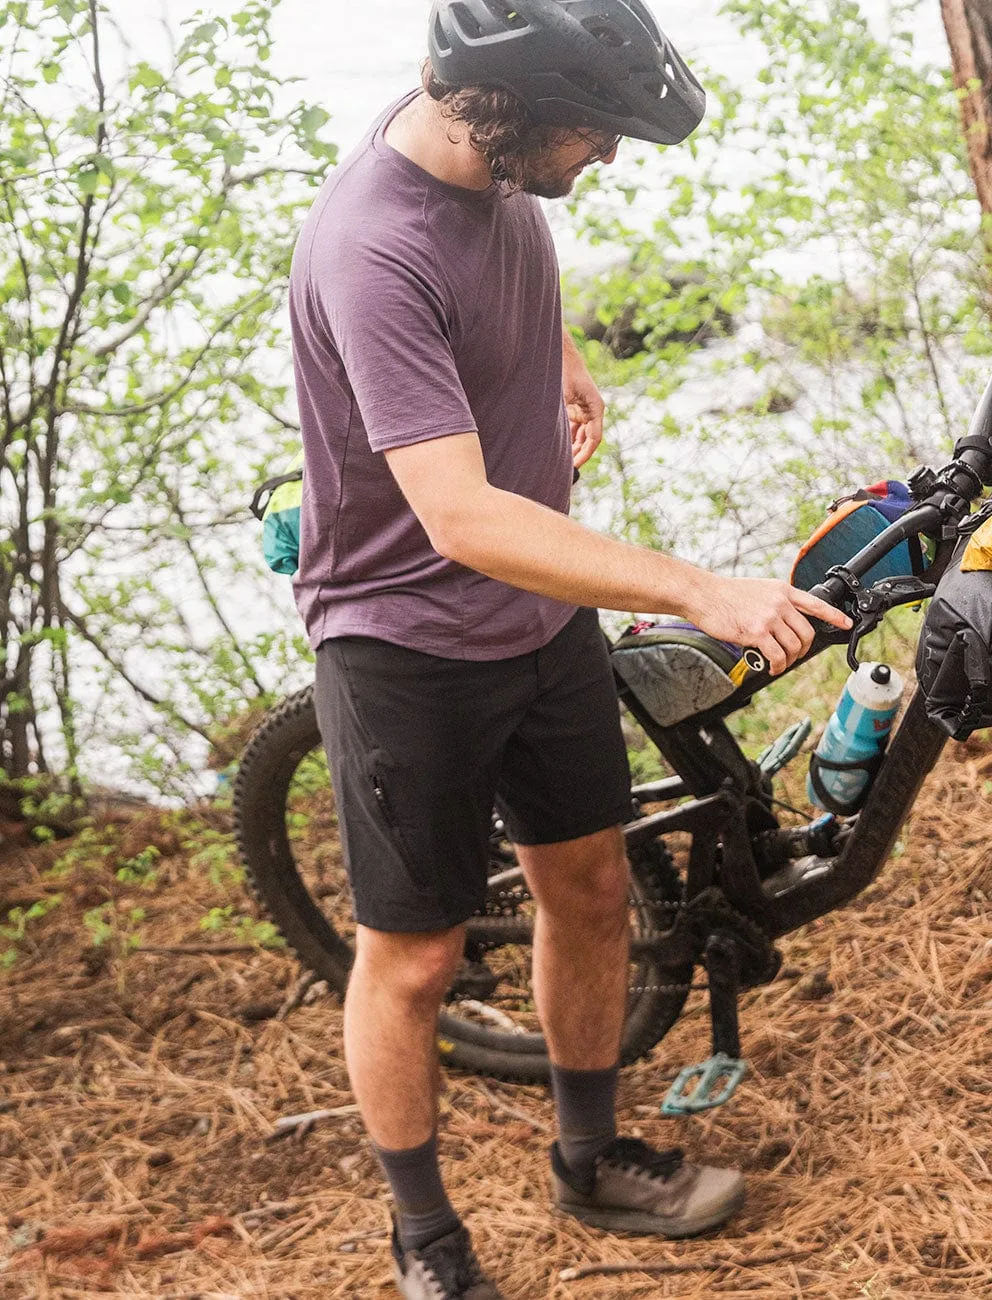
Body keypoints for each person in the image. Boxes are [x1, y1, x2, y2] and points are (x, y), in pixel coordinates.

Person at [288, 2, 851, 1296]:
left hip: (537, 616)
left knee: (589, 889)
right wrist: (698, 588)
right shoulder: (370, 245)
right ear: (514, 106)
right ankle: (425, 1239)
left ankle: (590, 1159)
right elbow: (462, 517)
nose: (605, 155)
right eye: (595, 130)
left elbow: (487, 282)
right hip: (406, 641)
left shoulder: (486, 158)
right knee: (417, 955)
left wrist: (559, 354)